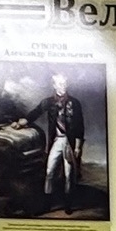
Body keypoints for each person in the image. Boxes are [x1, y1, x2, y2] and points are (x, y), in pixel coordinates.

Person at [27, 71, 85, 212]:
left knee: (69, 174)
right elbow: (36, 112)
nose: (63, 86)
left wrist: (77, 147)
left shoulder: (74, 103)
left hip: (70, 142)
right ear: (54, 85)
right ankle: (47, 203)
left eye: (64, 83)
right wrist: (24, 120)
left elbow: (80, 126)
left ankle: (68, 204)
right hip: (56, 141)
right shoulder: (48, 102)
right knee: (49, 171)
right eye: (60, 83)